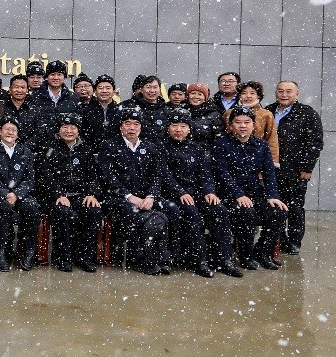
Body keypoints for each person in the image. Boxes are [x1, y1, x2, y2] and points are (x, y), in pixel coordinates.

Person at [158, 109, 236, 278]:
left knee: (219, 210)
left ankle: (224, 259)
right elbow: (164, 175)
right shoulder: (161, 147)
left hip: (196, 193)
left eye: (183, 126)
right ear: (168, 128)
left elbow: (205, 174)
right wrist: (180, 192)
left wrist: (209, 191)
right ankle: (199, 260)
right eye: (174, 125)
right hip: (171, 194)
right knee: (192, 213)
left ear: (189, 129)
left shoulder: (197, 148)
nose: (178, 130)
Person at [97, 105, 172, 275]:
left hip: (146, 197)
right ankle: (142, 258)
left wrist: (151, 196)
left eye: (136, 124)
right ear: (121, 126)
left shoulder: (150, 147)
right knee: (142, 215)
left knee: (171, 210)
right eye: (128, 124)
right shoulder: (109, 146)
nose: (132, 128)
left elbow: (157, 175)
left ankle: (164, 258)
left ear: (141, 127)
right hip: (118, 198)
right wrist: (129, 196)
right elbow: (107, 177)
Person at [213, 105, 288, 271]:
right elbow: (222, 174)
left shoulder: (261, 145)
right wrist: (238, 194)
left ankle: (262, 252)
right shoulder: (221, 144)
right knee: (246, 212)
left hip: (255, 193)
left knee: (278, 212)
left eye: (247, 122)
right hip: (229, 195)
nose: (242, 126)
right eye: (238, 122)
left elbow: (269, 173)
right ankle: (245, 256)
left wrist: (272, 195)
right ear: (231, 125)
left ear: (253, 125)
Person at [36, 113, 103, 272]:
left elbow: (93, 176)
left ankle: (85, 258)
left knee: (93, 211)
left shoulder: (85, 150)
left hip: (80, 195)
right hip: (56, 197)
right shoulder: (49, 149)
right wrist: (58, 194)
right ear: (59, 130)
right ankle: (63, 258)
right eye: (65, 127)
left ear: (78, 131)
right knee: (63, 213)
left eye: (73, 127)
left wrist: (92, 194)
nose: (69, 131)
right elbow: (45, 176)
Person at [266, 81, 324, 255]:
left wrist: (307, 167)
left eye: (289, 91)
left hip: (295, 169)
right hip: (271, 169)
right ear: (276, 93)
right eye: (281, 91)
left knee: (295, 207)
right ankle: (279, 240)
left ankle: (294, 242)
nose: (284, 95)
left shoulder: (307, 114)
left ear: (297, 94)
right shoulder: (268, 111)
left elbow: (315, 143)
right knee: (275, 206)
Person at [0, 117, 41, 271]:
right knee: (2, 208)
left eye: (14, 130)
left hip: (20, 194)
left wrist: (17, 194)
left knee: (32, 207)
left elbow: (30, 179)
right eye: (7, 129)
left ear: (18, 134)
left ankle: (28, 251)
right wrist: (6, 193)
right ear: (0, 132)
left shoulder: (25, 152)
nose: (10, 132)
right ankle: (0, 251)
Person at [222, 80, 280, 165]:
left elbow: (272, 140)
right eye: (244, 93)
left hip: (258, 158)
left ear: (258, 96)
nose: (248, 96)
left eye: (252, 93)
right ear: (239, 95)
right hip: (232, 157)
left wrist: (272, 162)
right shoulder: (229, 113)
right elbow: (224, 136)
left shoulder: (266, 115)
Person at [30, 60, 80, 147]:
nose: (56, 78)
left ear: (64, 77)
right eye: (52, 74)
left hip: (65, 146)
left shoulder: (73, 98)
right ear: (47, 77)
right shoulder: (34, 97)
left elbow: (78, 123)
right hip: (40, 146)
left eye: (59, 74)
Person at [121, 75, 171, 141]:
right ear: (141, 90)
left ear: (160, 89)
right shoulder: (131, 108)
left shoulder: (166, 110)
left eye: (155, 87)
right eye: (148, 87)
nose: (152, 91)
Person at [79, 75, 121, 148]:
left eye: (108, 88)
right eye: (100, 88)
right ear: (95, 91)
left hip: (116, 152)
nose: (104, 91)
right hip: (92, 152)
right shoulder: (86, 111)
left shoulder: (120, 111)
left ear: (114, 91)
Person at [0, 74, 40, 145]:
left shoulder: (34, 109)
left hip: (28, 149)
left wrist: (24, 148)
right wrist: (9, 146)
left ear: (27, 90)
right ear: (10, 89)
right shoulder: (1, 108)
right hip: (4, 148)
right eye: (16, 87)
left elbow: (38, 133)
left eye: (22, 87)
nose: (19, 90)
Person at [185, 82, 223, 148]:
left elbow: (219, 138)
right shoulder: (181, 111)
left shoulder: (214, 114)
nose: (196, 97)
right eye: (193, 93)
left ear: (205, 98)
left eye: (200, 94)